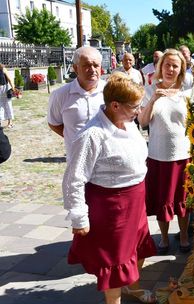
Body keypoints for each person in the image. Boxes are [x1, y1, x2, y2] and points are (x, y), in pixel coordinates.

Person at [63, 73, 156, 304]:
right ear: (115, 105)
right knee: (115, 261)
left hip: (135, 199)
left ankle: (132, 289)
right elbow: (74, 179)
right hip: (111, 206)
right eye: (135, 106)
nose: (139, 110)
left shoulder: (128, 123)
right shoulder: (92, 135)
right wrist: (79, 217)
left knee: (136, 248)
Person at [137, 49, 191, 255]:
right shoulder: (150, 90)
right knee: (162, 199)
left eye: (175, 66)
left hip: (182, 154)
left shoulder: (187, 92)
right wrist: (153, 99)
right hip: (158, 154)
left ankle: (184, 236)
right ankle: (165, 239)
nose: (170, 69)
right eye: (167, 65)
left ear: (181, 70)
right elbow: (142, 122)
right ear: (160, 67)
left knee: (183, 200)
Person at [48, 46, 106, 161]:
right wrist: (75, 138)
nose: (92, 69)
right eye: (87, 65)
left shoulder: (110, 91)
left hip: (106, 161)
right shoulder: (60, 95)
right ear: (75, 68)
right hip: (77, 161)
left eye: (96, 65)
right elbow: (54, 123)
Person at [0, 64, 16, 128]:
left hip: (5, 89)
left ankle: (10, 122)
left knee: (8, 105)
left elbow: (9, 79)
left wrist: (13, 89)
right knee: (0, 106)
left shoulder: (3, 69)